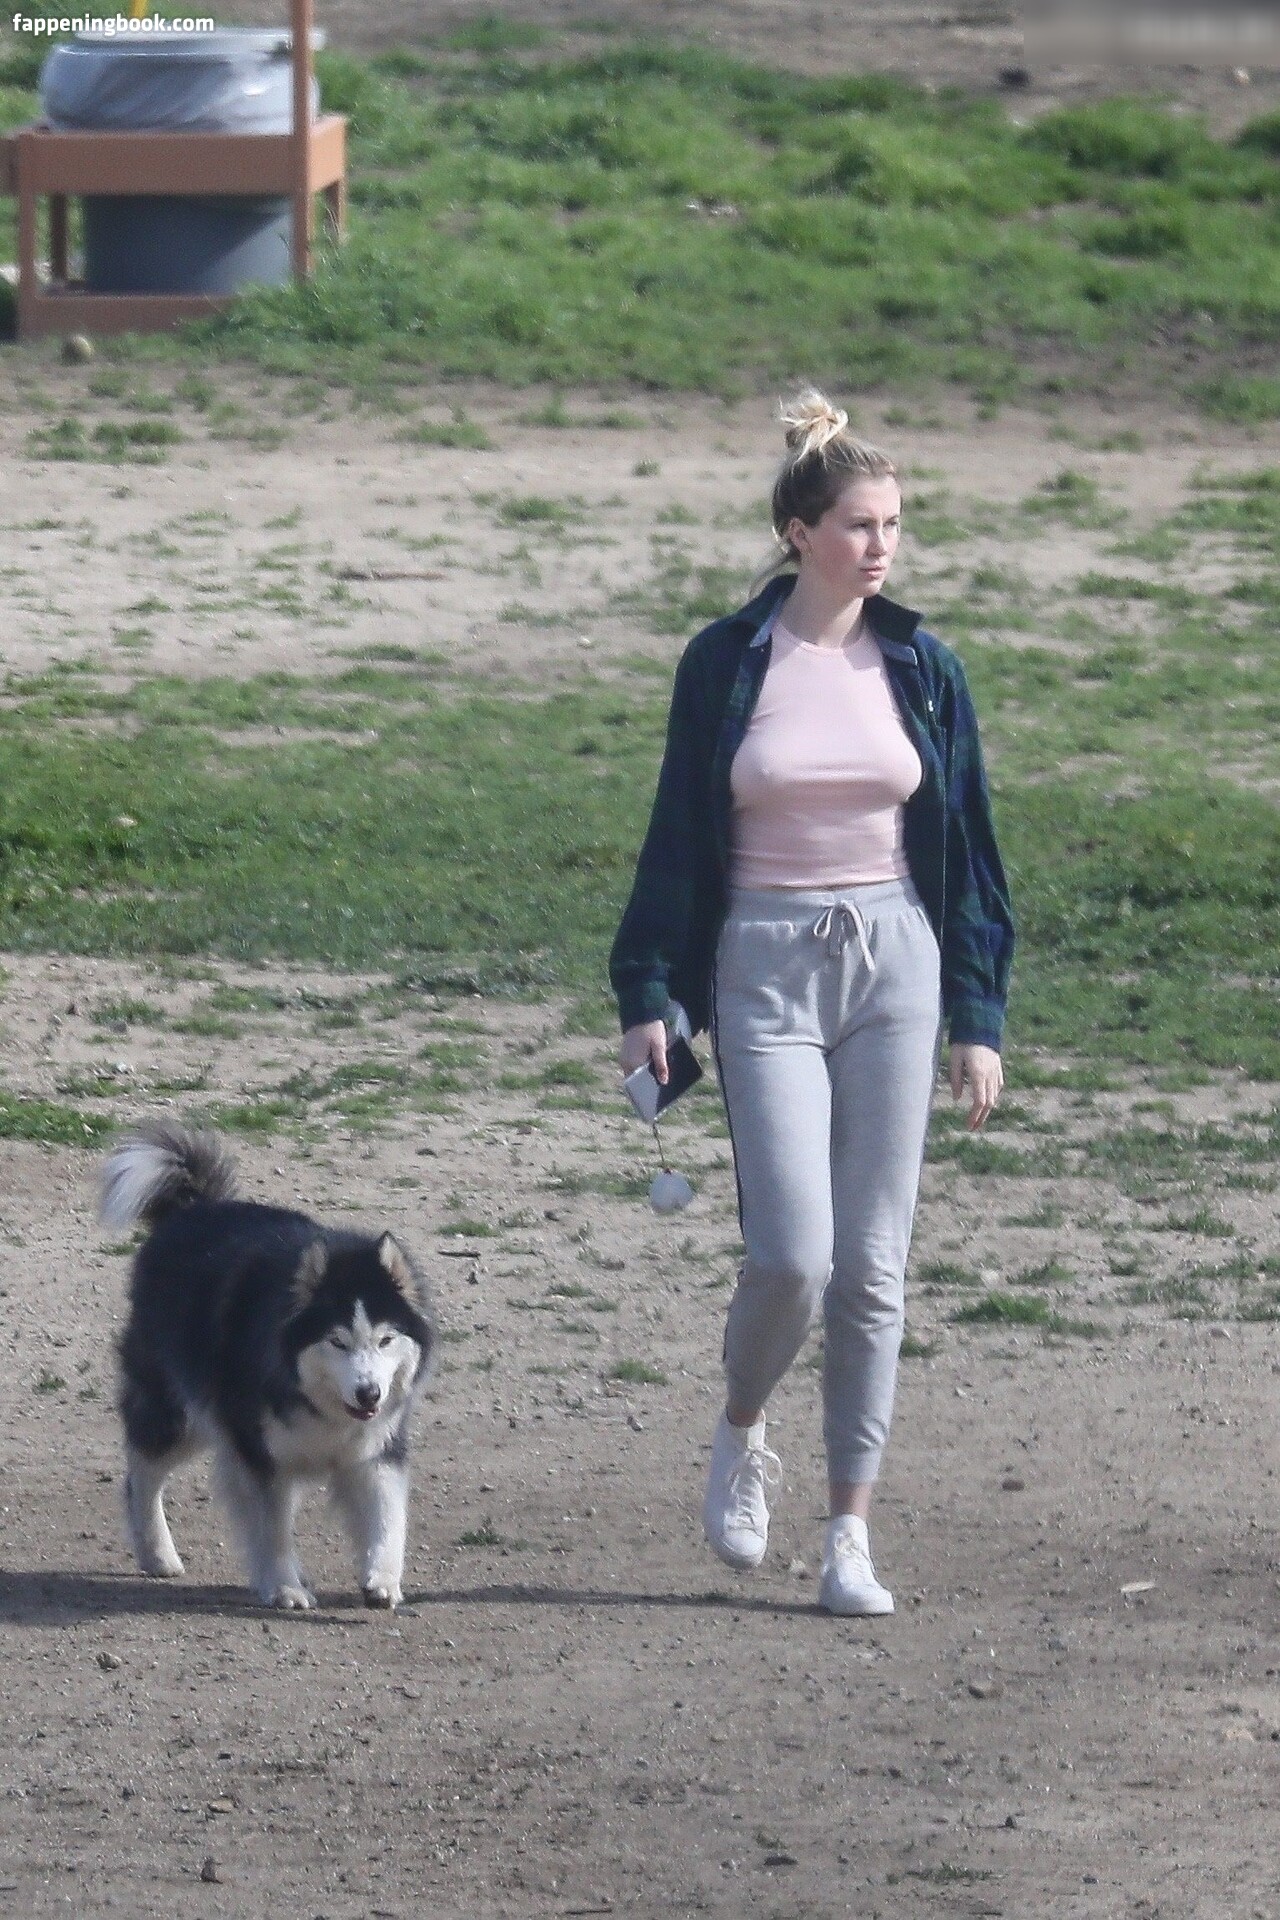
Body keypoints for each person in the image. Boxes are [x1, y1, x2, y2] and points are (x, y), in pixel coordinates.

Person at [609, 391, 1014, 1617]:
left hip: (895, 963)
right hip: (763, 963)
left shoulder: (924, 668)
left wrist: (977, 1020)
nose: (879, 545)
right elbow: (676, 835)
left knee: (872, 1271)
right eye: (856, 524)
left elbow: (971, 852)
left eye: (891, 523)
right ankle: (741, 1427)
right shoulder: (726, 662)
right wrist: (646, 990)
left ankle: (848, 1536)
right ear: (798, 532)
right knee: (792, 1257)